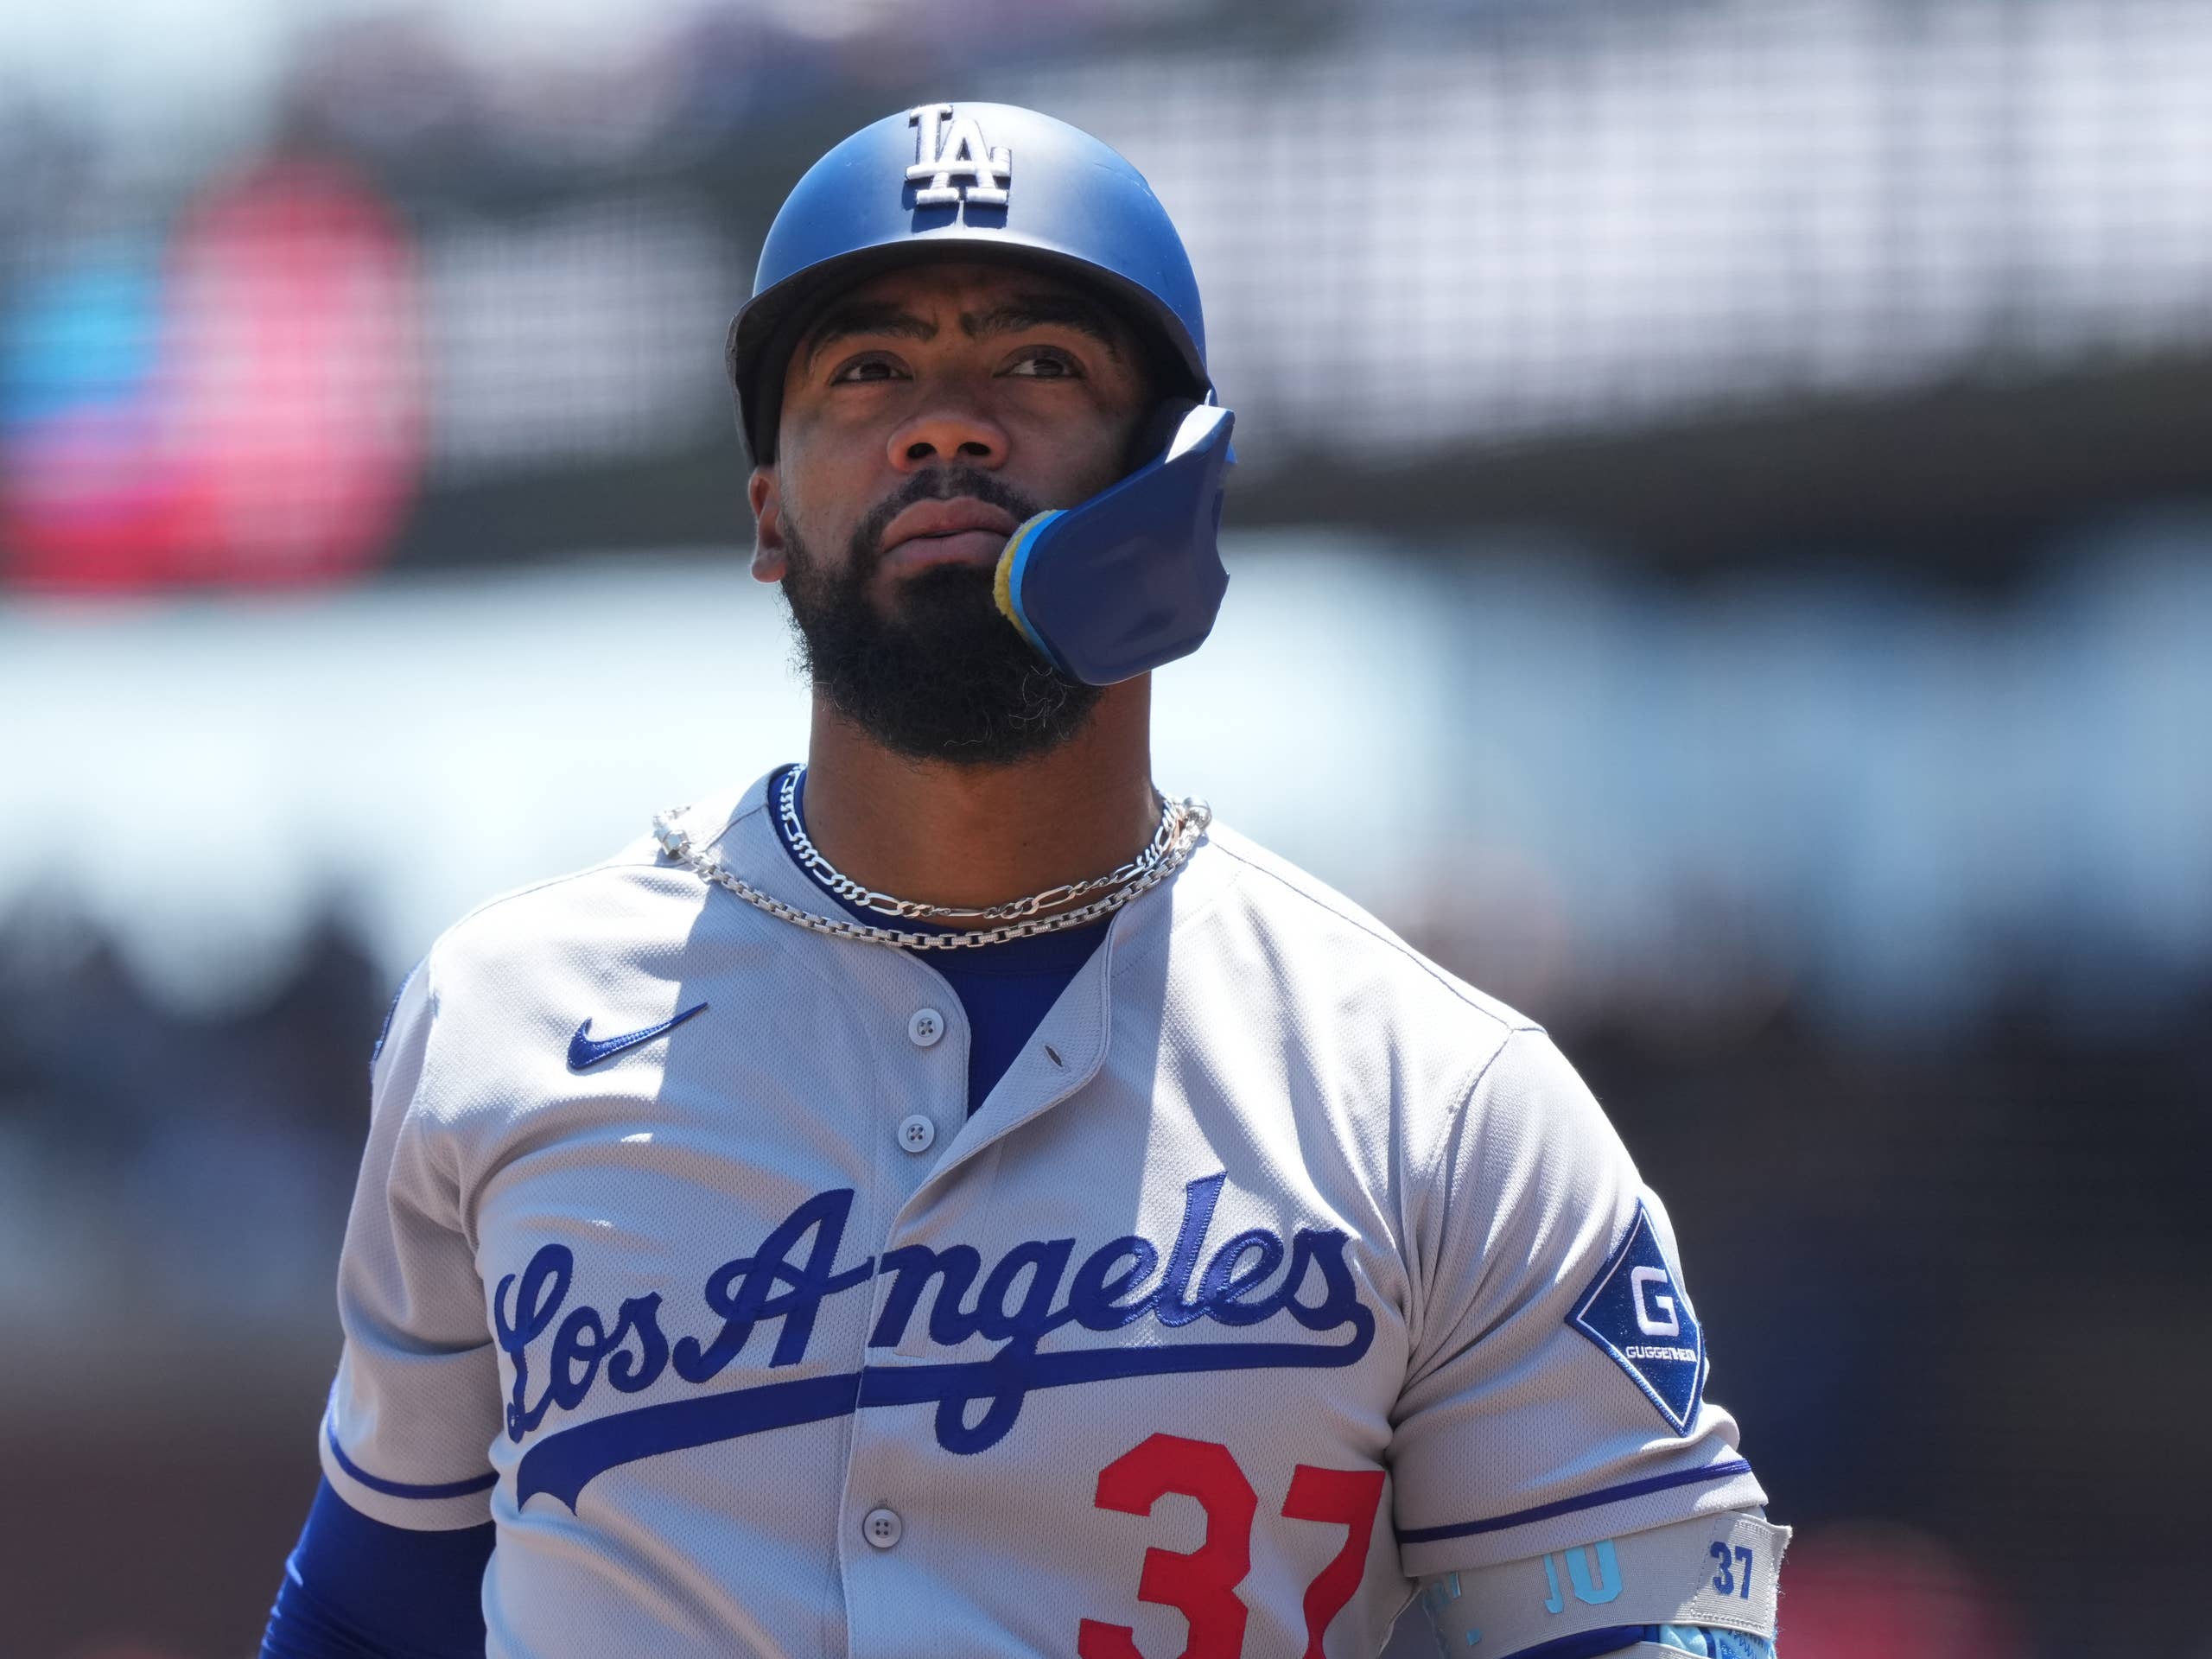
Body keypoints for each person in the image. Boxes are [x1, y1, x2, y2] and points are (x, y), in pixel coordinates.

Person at [263, 103, 1785, 1659]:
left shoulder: (1437, 1102)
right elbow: (367, 1619)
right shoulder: (502, 1023)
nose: (947, 429)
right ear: (771, 511)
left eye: (1039, 364)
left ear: (1176, 478)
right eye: (868, 371)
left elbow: (1655, 1627)